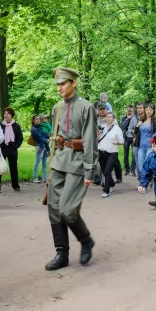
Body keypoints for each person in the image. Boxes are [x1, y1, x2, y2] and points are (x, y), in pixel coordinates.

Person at [44, 67, 98, 271]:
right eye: (57, 84)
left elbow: (90, 140)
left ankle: (85, 240)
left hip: (77, 161)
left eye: (63, 84)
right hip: (59, 160)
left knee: (67, 209)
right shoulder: (56, 108)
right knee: (54, 208)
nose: (60, 88)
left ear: (73, 83)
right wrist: (50, 165)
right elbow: (55, 138)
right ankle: (61, 253)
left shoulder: (86, 108)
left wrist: (90, 170)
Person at [0, 107, 23, 192]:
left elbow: (20, 138)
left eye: (8, 114)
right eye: (5, 113)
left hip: (12, 149)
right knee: (0, 168)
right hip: (2, 149)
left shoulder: (16, 126)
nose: (6, 115)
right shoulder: (0, 125)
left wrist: (15, 146)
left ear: (12, 115)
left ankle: (15, 186)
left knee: (13, 168)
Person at [133, 103, 156, 189]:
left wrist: (155, 144)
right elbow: (136, 132)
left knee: (147, 165)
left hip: (150, 146)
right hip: (141, 146)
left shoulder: (155, 121)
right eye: (147, 110)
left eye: (150, 110)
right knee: (140, 167)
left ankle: (144, 184)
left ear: (153, 111)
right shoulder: (141, 120)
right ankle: (148, 180)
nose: (149, 111)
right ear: (145, 110)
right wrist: (137, 126)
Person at [98, 111, 124, 198]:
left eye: (110, 117)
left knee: (107, 171)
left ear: (113, 119)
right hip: (101, 152)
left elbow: (122, 141)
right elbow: (96, 139)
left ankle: (106, 190)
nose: (108, 118)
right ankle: (111, 183)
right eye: (107, 117)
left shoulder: (117, 129)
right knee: (104, 170)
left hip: (112, 152)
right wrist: (98, 134)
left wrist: (117, 142)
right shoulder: (101, 127)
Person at [31, 115, 49, 183]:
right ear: (33, 120)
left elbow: (45, 134)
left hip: (45, 146)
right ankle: (35, 178)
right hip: (39, 147)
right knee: (37, 162)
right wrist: (46, 140)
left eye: (39, 119)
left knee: (44, 163)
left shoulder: (41, 127)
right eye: (36, 119)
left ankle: (44, 178)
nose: (38, 120)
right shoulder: (33, 129)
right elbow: (39, 137)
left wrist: (48, 137)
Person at [120, 105, 137, 176]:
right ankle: (127, 170)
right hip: (126, 137)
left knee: (134, 154)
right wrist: (127, 119)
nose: (129, 112)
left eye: (131, 111)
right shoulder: (123, 118)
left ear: (133, 111)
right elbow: (122, 126)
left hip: (133, 137)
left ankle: (133, 170)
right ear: (126, 110)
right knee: (125, 154)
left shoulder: (136, 118)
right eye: (128, 111)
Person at [131, 102, 145, 176]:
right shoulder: (134, 119)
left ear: (144, 108)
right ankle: (141, 183)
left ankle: (147, 180)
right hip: (136, 143)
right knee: (138, 165)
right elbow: (130, 130)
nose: (138, 109)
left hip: (145, 144)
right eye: (137, 108)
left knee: (145, 164)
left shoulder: (147, 119)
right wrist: (133, 131)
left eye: (140, 108)